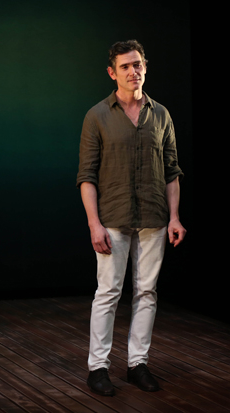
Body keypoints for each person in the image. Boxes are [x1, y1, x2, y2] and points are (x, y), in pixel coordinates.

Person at [76, 40, 186, 396]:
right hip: (112, 218)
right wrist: (94, 223)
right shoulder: (97, 115)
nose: (132, 71)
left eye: (137, 64)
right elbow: (86, 176)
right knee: (108, 292)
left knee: (147, 293)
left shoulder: (162, 115)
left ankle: (138, 364)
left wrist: (174, 217)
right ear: (112, 73)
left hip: (154, 218)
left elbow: (172, 172)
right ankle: (98, 369)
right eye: (125, 66)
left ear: (145, 68)